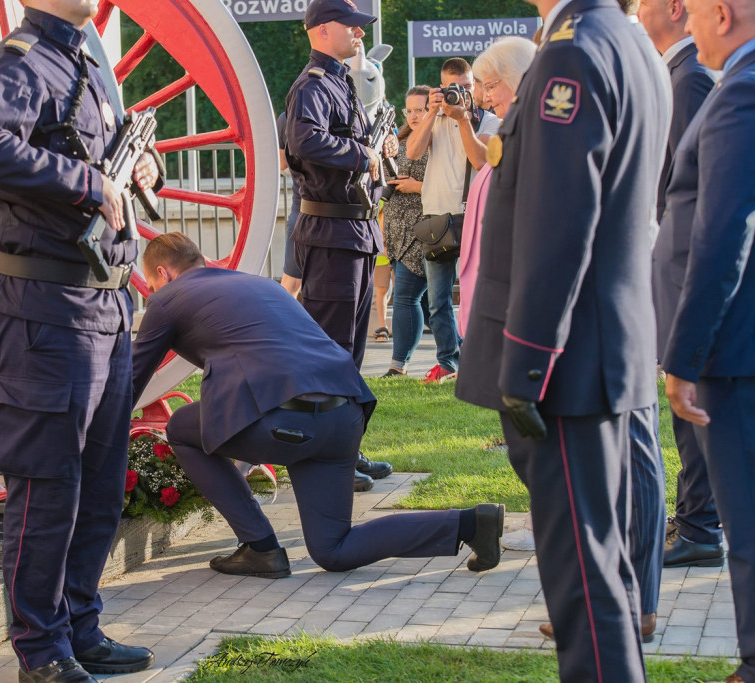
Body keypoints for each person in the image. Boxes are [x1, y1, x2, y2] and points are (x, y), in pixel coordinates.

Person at [454, 0, 671, 678]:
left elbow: (558, 220)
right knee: (600, 570)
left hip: (568, 361)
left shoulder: (572, 51)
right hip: (600, 345)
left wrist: (526, 364)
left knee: (583, 582)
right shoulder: (623, 39)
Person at [0, 2, 159, 681]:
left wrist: (142, 168)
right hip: (47, 305)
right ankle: (41, 651)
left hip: (106, 301)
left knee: (99, 487)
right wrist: (86, 183)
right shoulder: (17, 62)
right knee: (47, 488)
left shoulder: (86, 57)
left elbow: (112, 147)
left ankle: (79, 625)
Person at [132, 232, 505, 578]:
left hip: (284, 420)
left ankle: (261, 547)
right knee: (333, 550)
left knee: (180, 428)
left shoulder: (168, 298)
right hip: (344, 417)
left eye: (151, 286)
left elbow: (129, 381)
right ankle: (471, 524)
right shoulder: (260, 284)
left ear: (163, 274)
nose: (153, 294)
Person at [661, 0, 755, 679]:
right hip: (747, 343)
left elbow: (722, 233)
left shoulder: (743, 95)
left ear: (722, 14)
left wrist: (684, 354)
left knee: (751, 523)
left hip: (735, 351)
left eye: (694, 12)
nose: (688, 24)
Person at [284, 0, 395, 483]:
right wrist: (361, 154)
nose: (360, 34)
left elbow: (352, 143)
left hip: (352, 229)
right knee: (330, 352)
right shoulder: (312, 84)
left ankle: (345, 449)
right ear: (324, 30)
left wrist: (377, 149)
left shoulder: (336, 82)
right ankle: (325, 459)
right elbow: (303, 142)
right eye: (352, 27)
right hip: (331, 232)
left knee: (349, 352)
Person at [638, 0, 723, 569]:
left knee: (689, 398)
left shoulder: (688, 76)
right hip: (674, 259)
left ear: (674, 8)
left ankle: (700, 526)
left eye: (645, 2)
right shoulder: (677, 71)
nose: (636, 11)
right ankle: (697, 518)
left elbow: (694, 189)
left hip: (685, 263)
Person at [405, 58, 499, 383]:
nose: (462, 94)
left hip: (475, 217)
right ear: (442, 88)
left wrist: (463, 120)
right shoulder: (436, 118)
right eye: (453, 89)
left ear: (475, 86)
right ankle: (448, 362)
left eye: (467, 88)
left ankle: (480, 362)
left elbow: (480, 160)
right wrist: (432, 112)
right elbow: (413, 153)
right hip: (436, 216)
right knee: (437, 301)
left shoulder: (489, 121)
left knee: (481, 295)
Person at [456, 38, 537, 338]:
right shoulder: (514, 130)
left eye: (490, 86)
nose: (486, 98)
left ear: (517, 78)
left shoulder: (534, 132)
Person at [381, 86, 430, 378]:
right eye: (408, 110)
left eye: (419, 110)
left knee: (405, 297)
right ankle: (457, 355)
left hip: (424, 230)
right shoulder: (399, 139)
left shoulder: (440, 139)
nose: (412, 115)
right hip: (396, 229)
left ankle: (398, 364)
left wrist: (417, 186)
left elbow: (451, 184)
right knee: (426, 302)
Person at [276, 112, 303, 298]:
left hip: (301, 205)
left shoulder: (287, 117)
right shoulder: (341, 112)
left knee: (291, 282)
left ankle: (284, 325)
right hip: (339, 210)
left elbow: (282, 164)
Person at [372, 254, 393, 342]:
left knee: (402, 293)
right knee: (381, 290)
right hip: (382, 257)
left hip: (401, 254)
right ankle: (382, 326)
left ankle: (400, 327)